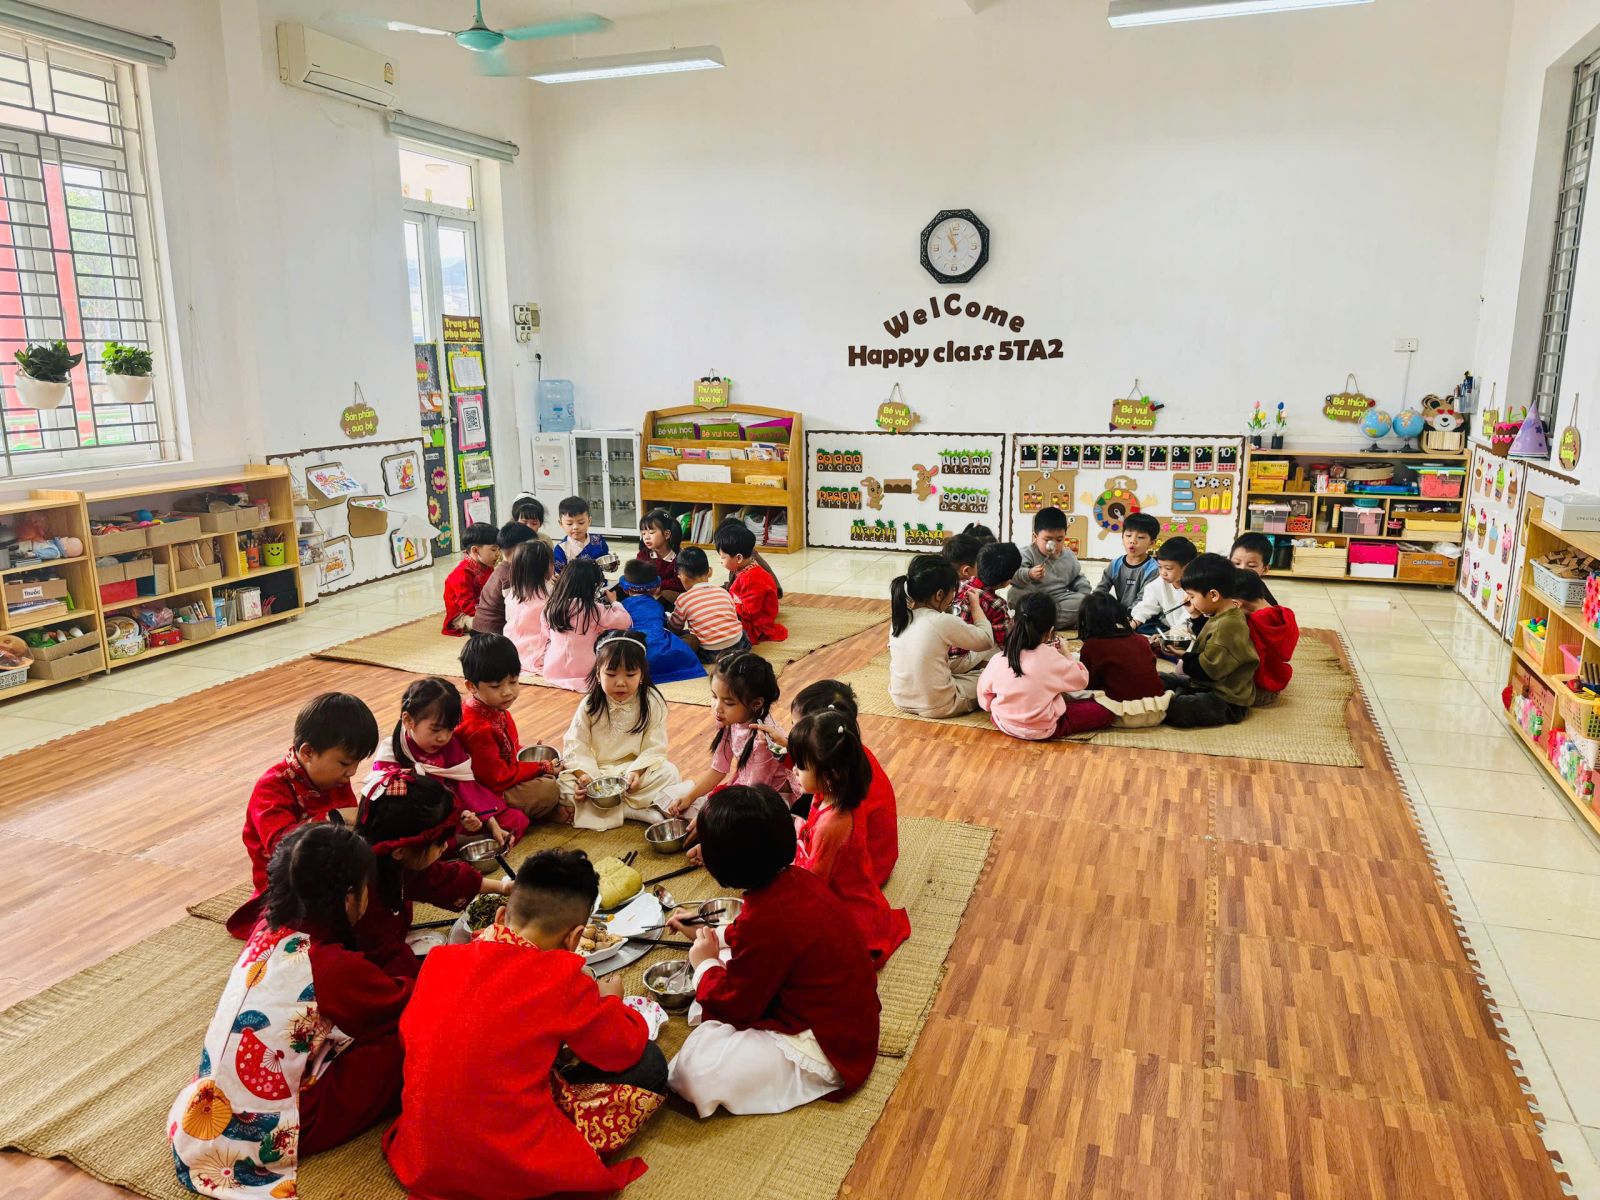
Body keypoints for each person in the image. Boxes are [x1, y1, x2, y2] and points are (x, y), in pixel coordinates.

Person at [383, 849, 666, 1200]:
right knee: (650, 1063)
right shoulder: (561, 977)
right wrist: (612, 1001)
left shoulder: (440, 958)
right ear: (575, 937)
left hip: (424, 1154)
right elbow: (621, 1049)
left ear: (501, 915)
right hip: (509, 1161)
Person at [171, 825, 413, 1200]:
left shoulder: (266, 930)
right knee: (402, 1045)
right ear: (349, 897)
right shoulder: (329, 966)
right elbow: (400, 1003)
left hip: (206, 1111)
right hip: (276, 1129)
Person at [667, 786, 881, 1117]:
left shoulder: (767, 916)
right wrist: (705, 933)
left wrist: (704, 963)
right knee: (725, 962)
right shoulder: (794, 879)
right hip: (845, 1019)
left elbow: (738, 1005)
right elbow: (752, 936)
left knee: (694, 1072)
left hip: (829, 1044)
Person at [229, 692, 379, 937]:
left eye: (356, 764)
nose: (351, 772)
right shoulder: (271, 787)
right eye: (344, 763)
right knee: (292, 937)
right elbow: (281, 845)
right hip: (289, 886)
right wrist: (334, 818)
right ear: (308, 752)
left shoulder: (333, 779)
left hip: (330, 874)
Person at [354, 770, 509, 975]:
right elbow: (386, 960)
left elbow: (445, 879)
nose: (445, 847)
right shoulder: (364, 901)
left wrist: (503, 887)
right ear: (399, 851)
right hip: (370, 968)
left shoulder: (394, 863)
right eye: (440, 843)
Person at [788, 715, 910, 967]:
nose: (794, 770)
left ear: (829, 775)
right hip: (854, 885)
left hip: (846, 904)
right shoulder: (834, 795)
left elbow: (815, 884)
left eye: (801, 766)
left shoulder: (832, 824)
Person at [368, 675, 525, 847]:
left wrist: (483, 820)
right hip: (417, 821)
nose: (443, 738)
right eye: (435, 729)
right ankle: (455, 843)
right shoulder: (390, 752)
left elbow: (465, 786)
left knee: (516, 820)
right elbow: (387, 808)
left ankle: (459, 842)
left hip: (453, 814)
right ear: (408, 720)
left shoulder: (451, 745)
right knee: (412, 842)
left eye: (449, 729)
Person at [559, 631, 682, 829]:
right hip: (598, 773)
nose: (620, 682)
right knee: (563, 786)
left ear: (642, 675)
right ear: (598, 674)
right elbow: (575, 744)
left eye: (630, 675)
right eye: (611, 674)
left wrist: (637, 772)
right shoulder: (590, 704)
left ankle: (610, 809)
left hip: (633, 772)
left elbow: (655, 746)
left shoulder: (652, 701)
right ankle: (632, 811)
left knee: (669, 773)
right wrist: (585, 777)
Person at [781, 680, 897, 884]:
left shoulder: (835, 821)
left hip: (872, 868)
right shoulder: (847, 761)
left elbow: (816, 883)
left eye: (798, 727)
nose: (792, 734)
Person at [667, 651, 791, 835]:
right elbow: (718, 769)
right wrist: (690, 797)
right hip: (747, 789)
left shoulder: (763, 741)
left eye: (728, 703)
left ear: (756, 704)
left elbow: (753, 797)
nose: (717, 707)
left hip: (768, 800)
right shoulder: (732, 720)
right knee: (696, 807)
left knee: (723, 826)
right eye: (714, 697)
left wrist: (709, 817)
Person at [456, 634, 562, 820]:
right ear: (471, 686)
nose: (507, 692)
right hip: (485, 793)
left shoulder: (496, 708)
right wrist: (541, 767)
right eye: (496, 686)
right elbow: (497, 779)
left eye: (513, 682)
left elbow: (508, 752)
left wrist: (532, 758)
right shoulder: (477, 729)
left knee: (561, 770)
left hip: (503, 778)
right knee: (548, 789)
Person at [978, 592, 1112, 740]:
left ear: (1014, 624)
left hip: (1004, 723)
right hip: (1043, 728)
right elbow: (1082, 680)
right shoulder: (1052, 657)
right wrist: (1066, 652)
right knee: (1105, 711)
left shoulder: (999, 658)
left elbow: (985, 700)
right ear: (1050, 632)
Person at [888, 553, 994, 718]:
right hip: (939, 704)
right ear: (939, 595)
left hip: (900, 698)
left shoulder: (901, 617)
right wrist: (976, 606)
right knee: (991, 677)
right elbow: (986, 640)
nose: (953, 597)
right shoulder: (941, 621)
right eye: (953, 592)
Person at [1164, 553, 1258, 727]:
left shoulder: (1227, 625)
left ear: (1213, 595)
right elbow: (1209, 637)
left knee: (1178, 708)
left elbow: (1208, 670)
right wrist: (1196, 616)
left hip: (1226, 699)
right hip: (1206, 684)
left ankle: (1179, 695)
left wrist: (1183, 656)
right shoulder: (1223, 614)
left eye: (1192, 596)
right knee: (1162, 678)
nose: (1190, 600)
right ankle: (1180, 692)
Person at [539, 557, 633, 690]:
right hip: (585, 671)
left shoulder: (550, 607)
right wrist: (615, 602)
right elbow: (625, 621)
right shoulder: (594, 609)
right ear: (592, 586)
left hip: (552, 670)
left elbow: (546, 635)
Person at [616, 559, 704, 684]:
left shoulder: (622, 606)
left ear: (625, 589)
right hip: (663, 656)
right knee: (691, 637)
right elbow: (667, 628)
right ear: (655, 588)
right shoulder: (657, 606)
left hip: (633, 657)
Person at [1007, 507, 1092, 629]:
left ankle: (1035, 623)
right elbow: (1012, 576)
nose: (1054, 544)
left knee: (1081, 602)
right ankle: (1043, 622)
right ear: (1035, 536)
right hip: (1032, 599)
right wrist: (1029, 574)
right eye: (1048, 539)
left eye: (1059, 539)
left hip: (1057, 600)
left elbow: (1077, 578)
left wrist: (1084, 594)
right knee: (1015, 594)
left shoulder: (1069, 556)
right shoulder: (1026, 554)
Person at [1077, 591, 1167, 702]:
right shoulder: (1141, 639)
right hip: (1159, 703)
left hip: (1123, 708)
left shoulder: (1092, 646)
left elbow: (1088, 685)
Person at [669, 545, 749, 661]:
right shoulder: (723, 592)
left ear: (682, 578)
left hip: (710, 651)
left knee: (688, 637)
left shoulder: (683, 599)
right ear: (709, 572)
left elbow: (675, 627)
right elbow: (733, 616)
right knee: (739, 629)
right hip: (739, 644)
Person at [1231, 567, 1299, 700]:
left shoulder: (1254, 623)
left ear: (1236, 603)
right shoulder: (1285, 614)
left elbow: (1245, 659)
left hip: (1256, 689)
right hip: (1276, 682)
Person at [716, 521, 787, 644]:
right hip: (744, 612)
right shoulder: (744, 568)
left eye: (723, 557)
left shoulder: (751, 578)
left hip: (755, 625)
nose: (720, 560)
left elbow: (749, 612)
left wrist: (728, 603)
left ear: (739, 558)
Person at [471, 522, 539, 636]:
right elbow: (516, 608)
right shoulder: (511, 574)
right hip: (491, 632)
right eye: (532, 550)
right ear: (520, 549)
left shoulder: (503, 567)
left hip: (480, 627)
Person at [503, 538, 557, 676]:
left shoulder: (513, 593)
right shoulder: (550, 597)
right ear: (547, 567)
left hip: (509, 650)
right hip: (537, 652)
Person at [1094, 512, 1161, 616]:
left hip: (1144, 614)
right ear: (1122, 537)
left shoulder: (1154, 569)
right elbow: (1101, 589)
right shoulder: (1115, 564)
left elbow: (1143, 600)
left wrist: (1125, 616)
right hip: (1122, 613)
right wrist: (1095, 604)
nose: (1132, 541)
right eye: (1128, 536)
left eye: (1140, 537)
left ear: (1152, 543)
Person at [1132, 535, 1196, 641]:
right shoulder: (1158, 584)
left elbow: (1187, 623)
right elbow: (1146, 606)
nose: (1163, 573)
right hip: (1170, 629)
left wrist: (1165, 636)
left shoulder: (1197, 589)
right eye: (1159, 567)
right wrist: (1133, 623)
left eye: (1168, 568)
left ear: (1187, 567)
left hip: (1191, 634)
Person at [958, 540, 1020, 650]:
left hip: (949, 647)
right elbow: (1004, 642)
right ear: (1006, 582)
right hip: (967, 653)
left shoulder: (962, 585)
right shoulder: (997, 604)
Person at [442, 522, 500, 635]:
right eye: (493, 550)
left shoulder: (487, 566)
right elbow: (467, 605)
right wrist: (490, 614)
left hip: (483, 608)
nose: (498, 554)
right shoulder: (461, 574)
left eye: (498, 549)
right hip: (463, 615)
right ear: (475, 550)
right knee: (489, 624)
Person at [635, 508, 686, 607]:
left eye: (651, 533)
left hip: (672, 600)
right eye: (643, 533)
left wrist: (658, 585)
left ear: (666, 534)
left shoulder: (680, 557)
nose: (646, 537)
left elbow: (680, 582)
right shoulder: (643, 555)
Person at [553, 495, 611, 572]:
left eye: (581, 523)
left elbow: (605, 562)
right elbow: (560, 575)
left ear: (589, 521)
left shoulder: (598, 540)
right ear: (561, 524)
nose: (575, 527)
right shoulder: (561, 549)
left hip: (599, 579)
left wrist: (611, 565)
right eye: (569, 524)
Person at [1230, 532, 1279, 605]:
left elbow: (1273, 608)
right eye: (1237, 563)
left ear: (1265, 569)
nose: (1242, 569)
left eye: (1251, 566)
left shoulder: (1260, 590)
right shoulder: (1222, 584)